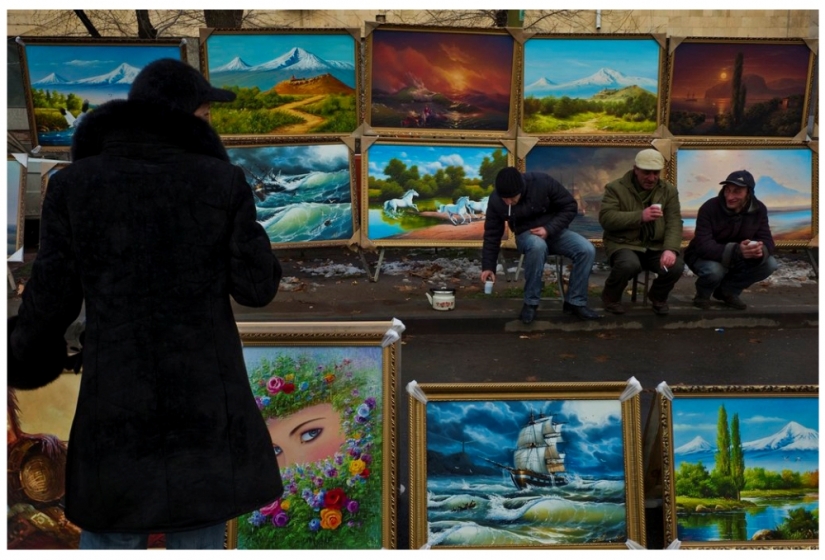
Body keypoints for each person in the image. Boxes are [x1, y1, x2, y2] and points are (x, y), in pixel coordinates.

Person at [7, 58, 283, 549]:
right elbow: (256, 287)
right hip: (203, 400)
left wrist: (21, 357)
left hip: (116, 400)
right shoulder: (220, 181)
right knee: (197, 533)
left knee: (112, 534)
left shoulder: (74, 185)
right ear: (180, 116)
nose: (210, 126)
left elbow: (51, 297)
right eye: (205, 116)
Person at [481, 166, 600, 324]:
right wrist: (488, 266)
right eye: (505, 199)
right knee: (537, 246)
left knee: (586, 249)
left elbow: (570, 206)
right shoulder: (496, 199)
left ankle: (575, 302)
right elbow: (492, 234)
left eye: (512, 197)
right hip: (526, 235)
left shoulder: (542, 182)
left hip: (554, 231)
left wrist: (548, 229)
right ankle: (530, 303)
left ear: (521, 188)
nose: (509, 202)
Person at [598, 148, 684, 315]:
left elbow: (674, 221)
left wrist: (670, 249)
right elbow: (606, 219)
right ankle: (610, 297)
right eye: (646, 172)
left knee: (676, 266)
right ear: (635, 169)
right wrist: (640, 216)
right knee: (628, 265)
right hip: (623, 242)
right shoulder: (615, 188)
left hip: (655, 245)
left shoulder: (669, 190)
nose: (651, 178)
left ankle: (657, 296)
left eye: (656, 173)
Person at [683, 169, 779, 310]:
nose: (729, 196)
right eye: (727, 190)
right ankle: (702, 294)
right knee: (715, 270)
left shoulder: (759, 209)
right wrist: (737, 251)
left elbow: (767, 241)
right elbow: (703, 245)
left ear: (749, 193)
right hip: (703, 256)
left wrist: (759, 251)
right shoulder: (709, 208)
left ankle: (728, 291)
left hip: (738, 256)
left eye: (737, 192)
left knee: (769, 264)